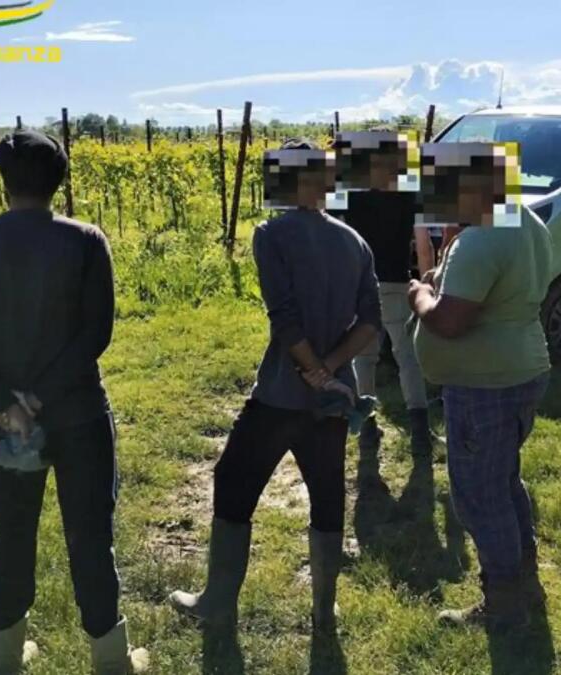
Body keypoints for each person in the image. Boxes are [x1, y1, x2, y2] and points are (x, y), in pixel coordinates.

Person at [0, 130, 148, 674]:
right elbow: (95, 333)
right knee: (90, 533)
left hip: (12, 424)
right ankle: (110, 656)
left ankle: (6, 655)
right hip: (79, 414)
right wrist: (41, 395)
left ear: (2, 179)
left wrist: (6, 401)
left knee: (12, 533)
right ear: (59, 179)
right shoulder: (85, 241)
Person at [168, 140, 381, 636]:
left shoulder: (271, 234)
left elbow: (283, 317)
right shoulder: (355, 242)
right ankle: (324, 613)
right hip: (333, 400)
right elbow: (371, 322)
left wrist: (311, 370)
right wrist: (330, 371)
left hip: (282, 392)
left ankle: (217, 602)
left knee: (232, 481)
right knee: (327, 494)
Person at [409, 143, 552, 629]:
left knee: (479, 495)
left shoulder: (484, 238)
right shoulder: (526, 223)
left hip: (484, 385)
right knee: (504, 480)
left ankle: (505, 604)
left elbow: (449, 322)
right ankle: (524, 580)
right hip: (521, 370)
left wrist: (420, 296)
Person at [332, 129, 438, 456]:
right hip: (397, 285)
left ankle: (367, 428)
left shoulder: (348, 194)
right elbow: (423, 245)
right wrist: (429, 283)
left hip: (359, 286)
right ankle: (420, 430)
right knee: (408, 358)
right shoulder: (410, 193)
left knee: (364, 358)